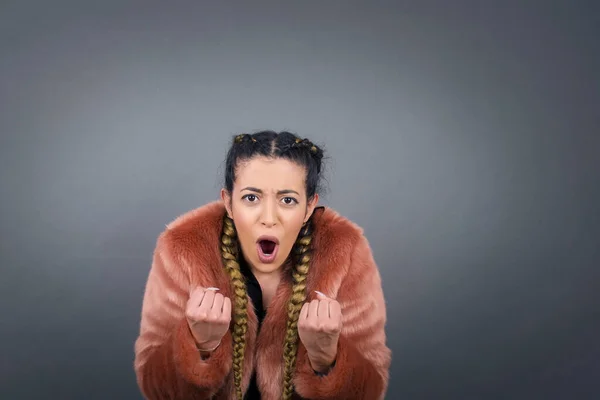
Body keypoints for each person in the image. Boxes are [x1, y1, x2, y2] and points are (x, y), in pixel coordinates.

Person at [133, 130, 392, 400]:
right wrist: (198, 344)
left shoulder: (345, 251)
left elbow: (370, 390)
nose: (269, 218)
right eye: (251, 198)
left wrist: (326, 357)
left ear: (308, 208)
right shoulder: (182, 248)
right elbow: (156, 388)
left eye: (288, 200)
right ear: (228, 203)